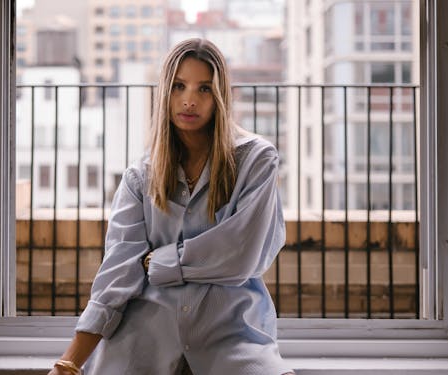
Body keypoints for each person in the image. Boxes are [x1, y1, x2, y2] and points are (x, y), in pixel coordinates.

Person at [49, 38, 295, 375]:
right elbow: (118, 274)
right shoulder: (140, 177)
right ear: (165, 92)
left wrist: (159, 262)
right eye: (179, 86)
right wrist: (69, 362)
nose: (189, 100)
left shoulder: (256, 160)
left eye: (204, 89)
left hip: (231, 337)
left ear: (220, 97)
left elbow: (241, 256)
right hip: (144, 336)